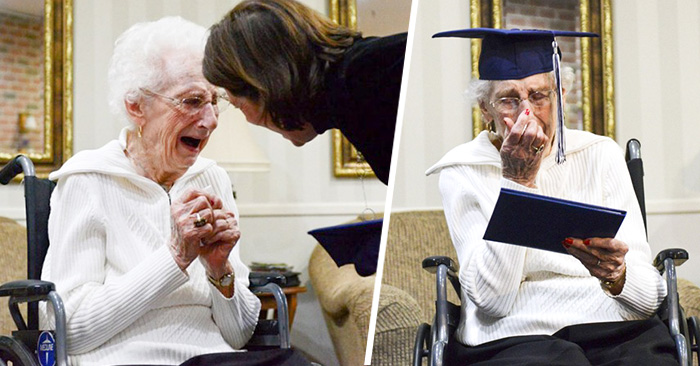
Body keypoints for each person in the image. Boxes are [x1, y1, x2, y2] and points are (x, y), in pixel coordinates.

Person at [40, 17, 307, 366]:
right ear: (136, 106)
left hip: (215, 359)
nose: (211, 120)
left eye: (215, 102)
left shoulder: (212, 179)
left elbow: (239, 334)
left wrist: (218, 269)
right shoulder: (87, 179)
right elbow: (68, 330)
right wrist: (175, 258)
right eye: (193, 101)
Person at [425, 28, 677, 365]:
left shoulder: (601, 154)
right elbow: (491, 302)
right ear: (485, 108)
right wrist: (517, 181)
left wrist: (618, 276)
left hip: (613, 325)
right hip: (512, 336)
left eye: (538, 96)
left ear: (560, 94)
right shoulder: (463, 171)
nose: (526, 113)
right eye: (509, 100)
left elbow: (648, 298)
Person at [202, 0, 406, 185]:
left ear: (266, 85)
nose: (250, 120)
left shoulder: (365, 76)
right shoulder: (349, 88)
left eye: (238, 105)